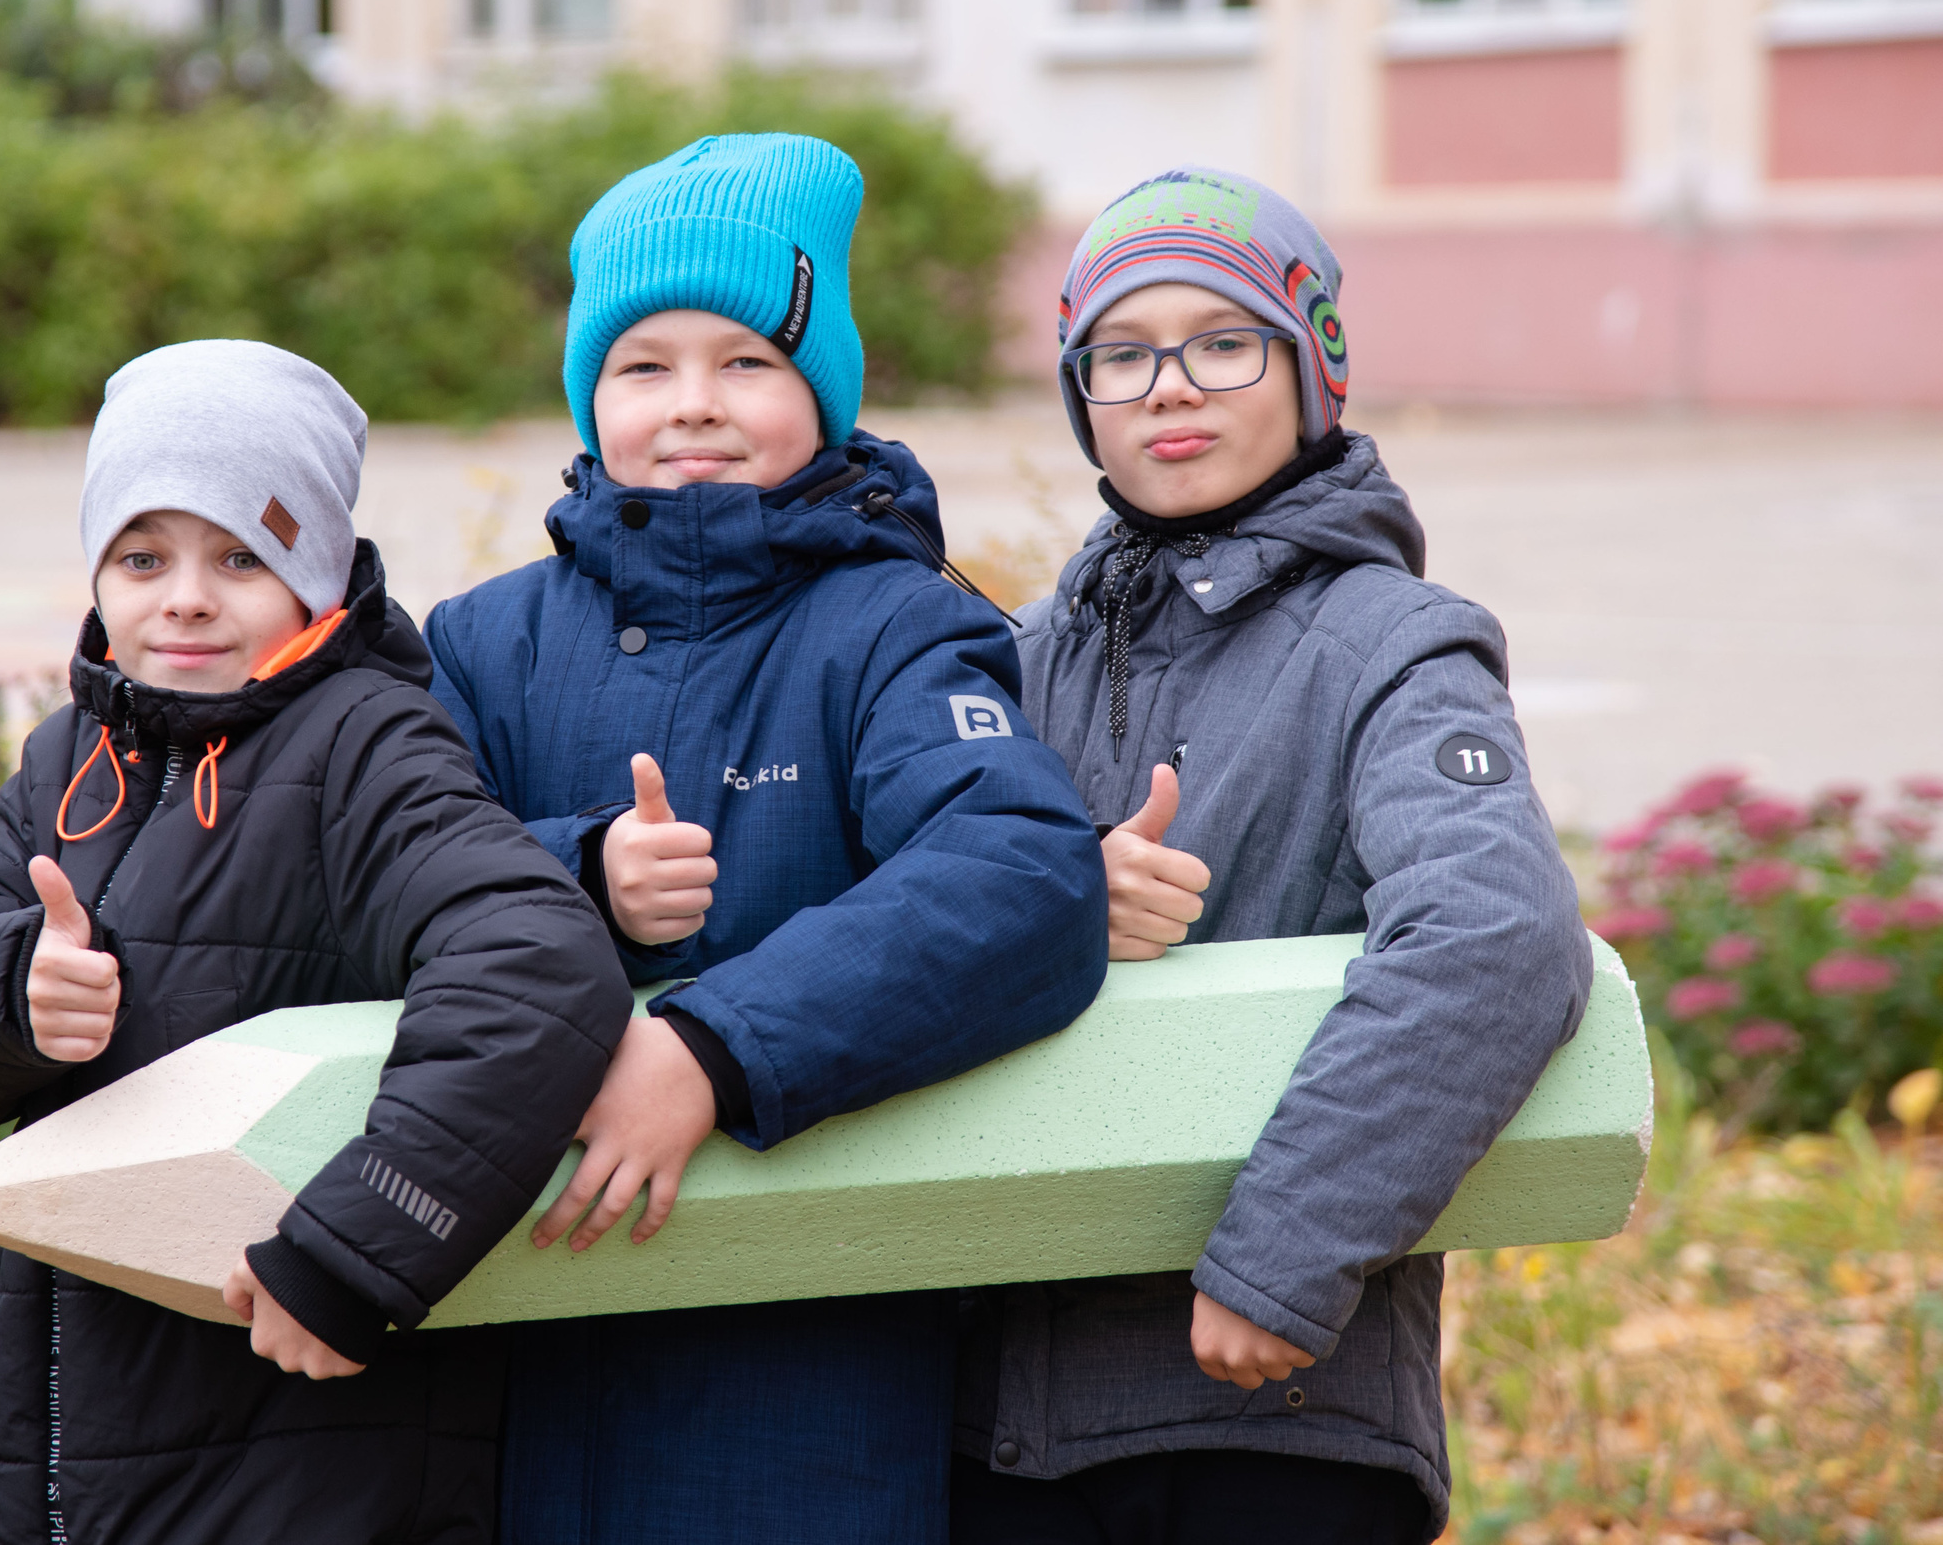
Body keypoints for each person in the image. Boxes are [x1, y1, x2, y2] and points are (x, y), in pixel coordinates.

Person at [421, 133, 1109, 1545]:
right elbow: (382, 880)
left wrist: (715, 1044)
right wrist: (580, 873)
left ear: (824, 385)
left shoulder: (893, 624)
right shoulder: (482, 644)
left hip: (811, 1384)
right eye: (643, 364)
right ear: (588, 391)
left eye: (748, 359)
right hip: (516, 1373)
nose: (695, 405)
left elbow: (1021, 872)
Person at [0, 340, 632, 1545]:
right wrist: (17, 990)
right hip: (46, 1447)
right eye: (142, 554)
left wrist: (356, 1256)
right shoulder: (78, 754)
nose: (185, 596)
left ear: (316, 575)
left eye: (242, 555)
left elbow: (535, 966)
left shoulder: (362, 747)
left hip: (292, 1449)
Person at [951, 167, 1594, 1544]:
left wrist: (1281, 1261)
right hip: (1008, 1423)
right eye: (1120, 354)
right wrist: (1058, 900)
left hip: (1270, 1421)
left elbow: (1496, 937)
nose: (1169, 385)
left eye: (1222, 340)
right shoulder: (1014, 655)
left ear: (1314, 369)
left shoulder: (1393, 647)